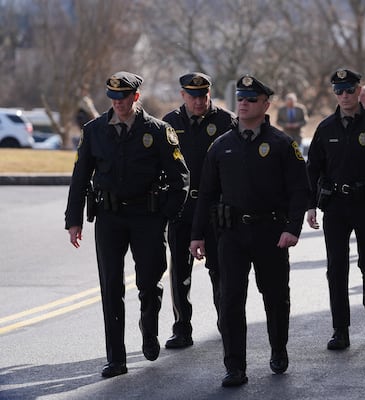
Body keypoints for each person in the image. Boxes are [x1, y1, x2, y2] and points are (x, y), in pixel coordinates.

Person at [65, 71, 190, 377]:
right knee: (111, 287)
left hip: (147, 218)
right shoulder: (94, 131)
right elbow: (80, 176)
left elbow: (180, 177)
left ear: (136, 97)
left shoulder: (158, 130)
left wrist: (166, 214)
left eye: (123, 98)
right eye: (113, 98)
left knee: (148, 282)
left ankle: (149, 327)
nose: (118, 103)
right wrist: (74, 220)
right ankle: (116, 358)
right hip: (109, 218)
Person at [189, 75, 310, 387]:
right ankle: (235, 367)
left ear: (266, 104)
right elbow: (206, 193)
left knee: (275, 297)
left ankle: (279, 348)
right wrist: (197, 234)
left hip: (271, 233)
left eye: (251, 99)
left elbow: (300, 191)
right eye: (240, 98)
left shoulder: (283, 144)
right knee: (230, 299)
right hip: (231, 235)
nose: (243, 104)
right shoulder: (221, 146)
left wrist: (292, 229)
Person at [306, 68, 365, 350]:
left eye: (349, 90)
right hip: (335, 205)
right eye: (339, 91)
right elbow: (312, 170)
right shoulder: (325, 128)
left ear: (359, 90)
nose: (344, 96)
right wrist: (310, 205)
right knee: (336, 268)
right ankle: (340, 330)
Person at [162, 72, 235, 349]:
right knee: (180, 271)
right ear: (183, 96)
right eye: (193, 96)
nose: (199, 101)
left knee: (221, 271)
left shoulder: (226, 121)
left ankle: (225, 323)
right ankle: (182, 327)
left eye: (203, 95)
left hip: (216, 210)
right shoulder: (170, 123)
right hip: (182, 208)